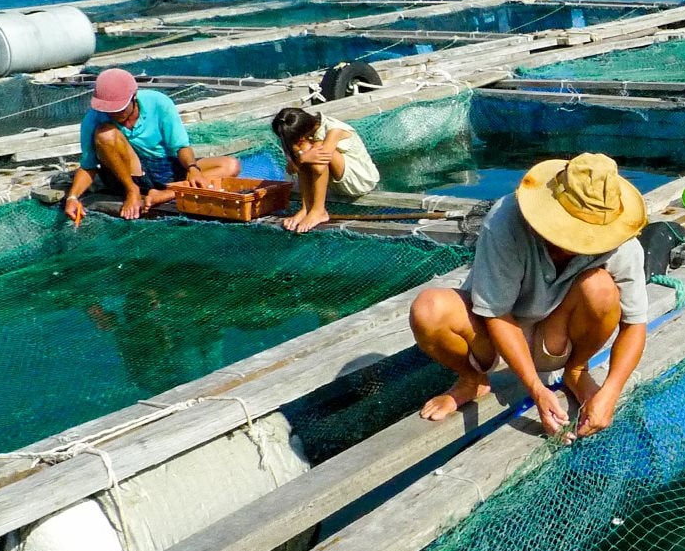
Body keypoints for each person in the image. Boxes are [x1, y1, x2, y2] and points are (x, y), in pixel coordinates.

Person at [408, 153, 650, 438]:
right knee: (429, 309)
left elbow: (635, 324)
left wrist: (610, 392)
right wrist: (537, 388)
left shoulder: (622, 243)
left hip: (558, 338)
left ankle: (577, 370)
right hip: (490, 335)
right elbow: (495, 312)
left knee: (600, 287)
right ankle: (472, 379)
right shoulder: (505, 220)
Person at [63, 69, 240, 223]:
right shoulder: (93, 118)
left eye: (119, 108)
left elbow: (180, 147)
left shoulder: (159, 103)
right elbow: (88, 166)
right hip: (131, 174)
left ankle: (165, 195)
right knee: (106, 134)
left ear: (134, 97)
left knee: (230, 165)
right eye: (109, 110)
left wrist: (192, 168)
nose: (114, 114)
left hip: (167, 168)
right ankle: (133, 191)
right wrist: (72, 197)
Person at [269, 106, 381, 233]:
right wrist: (300, 156)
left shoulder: (334, 130)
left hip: (360, 181)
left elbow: (320, 165)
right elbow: (291, 169)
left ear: (301, 135)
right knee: (306, 151)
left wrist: (302, 157)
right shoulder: (305, 140)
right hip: (338, 185)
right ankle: (307, 208)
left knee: (314, 149)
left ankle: (319, 210)